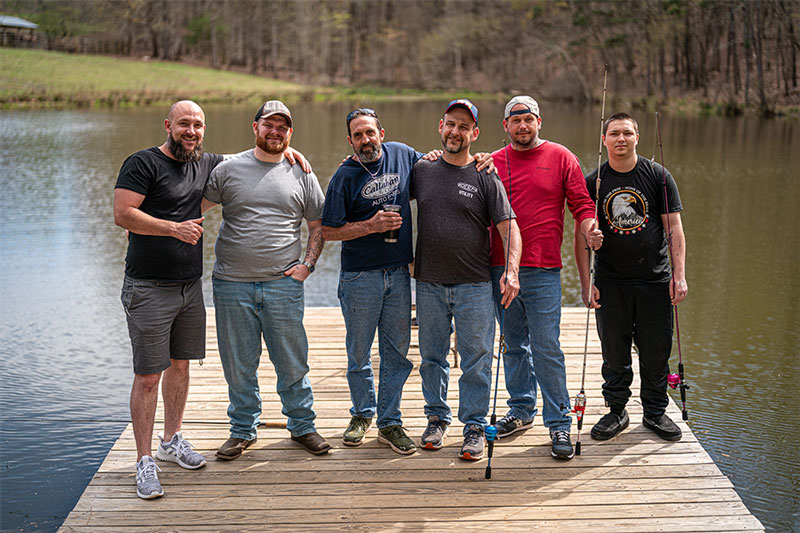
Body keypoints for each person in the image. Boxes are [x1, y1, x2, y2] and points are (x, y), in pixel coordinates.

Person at [114, 100, 309, 500]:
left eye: (198, 125)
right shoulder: (142, 163)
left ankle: (171, 441)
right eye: (184, 123)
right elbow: (122, 214)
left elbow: (254, 157)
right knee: (149, 375)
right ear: (168, 124)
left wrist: (287, 149)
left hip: (189, 286)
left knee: (181, 367)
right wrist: (172, 228)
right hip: (148, 285)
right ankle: (143, 460)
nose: (191, 130)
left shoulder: (208, 164)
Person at [203, 101, 331, 459]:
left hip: (283, 283)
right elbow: (191, 207)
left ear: (290, 133)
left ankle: (302, 426)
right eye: (268, 125)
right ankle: (243, 430)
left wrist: (307, 264)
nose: (275, 131)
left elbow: (318, 226)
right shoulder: (228, 169)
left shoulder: (301, 173)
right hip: (231, 283)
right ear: (255, 127)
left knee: (292, 360)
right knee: (239, 363)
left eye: (282, 127)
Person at [488, 96, 602, 461]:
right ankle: (521, 410)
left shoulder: (561, 157)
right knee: (513, 344)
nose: (523, 126)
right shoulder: (491, 162)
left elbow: (582, 205)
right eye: (515, 120)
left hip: (543, 269)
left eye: (529, 119)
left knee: (547, 347)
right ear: (505, 125)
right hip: (500, 269)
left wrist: (590, 228)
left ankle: (559, 422)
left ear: (540, 122)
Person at [413, 99, 521, 461]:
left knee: (476, 358)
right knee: (432, 357)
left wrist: (512, 270)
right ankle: (436, 418)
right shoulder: (422, 170)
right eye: (450, 124)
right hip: (428, 283)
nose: (455, 132)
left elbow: (510, 229)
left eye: (463, 127)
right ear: (440, 127)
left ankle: (473, 426)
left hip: (474, 285)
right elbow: (382, 173)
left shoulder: (485, 175)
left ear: (474, 133)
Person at [576, 112, 687, 443]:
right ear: (604, 140)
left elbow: (674, 229)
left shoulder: (658, 176)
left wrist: (679, 276)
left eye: (627, 133)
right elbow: (580, 237)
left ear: (637, 137)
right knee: (614, 353)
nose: (620, 139)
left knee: (656, 351)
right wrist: (586, 283)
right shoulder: (593, 182)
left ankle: (654, 412)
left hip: (654, 281)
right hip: (611, 282)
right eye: (614, 133)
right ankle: (616, 410)